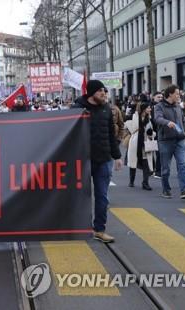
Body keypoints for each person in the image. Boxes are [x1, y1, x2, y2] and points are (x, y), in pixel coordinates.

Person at [73, 80, 122, 243]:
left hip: (103, 160)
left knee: (102, 197)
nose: (104, 93)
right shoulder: (78, 109)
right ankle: (78, 226)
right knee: (80, 196)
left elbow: (111, 135)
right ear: (92, 92)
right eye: (101, 90)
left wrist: (117, 156)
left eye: (105, 91)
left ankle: (99, 230)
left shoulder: (107, 109)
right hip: (83, 161)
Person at [154, 84, 185, 199]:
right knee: (166, 168)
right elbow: (157, 118)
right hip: (165, 141)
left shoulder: (178, 106)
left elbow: (182, 120)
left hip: (180, 140)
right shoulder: (159, 106)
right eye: (177, 93)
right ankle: (166, 190)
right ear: (170, 94)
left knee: (183, 165)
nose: (179, 96)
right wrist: (167, 122)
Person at [125, 102, 156, 190]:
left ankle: (145, 183)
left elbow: (152, 131)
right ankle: (131, 181)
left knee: (146, 163)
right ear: (144, 109)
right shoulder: (134, 117)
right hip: (135, 142)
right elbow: (128, 126)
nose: (150, 110)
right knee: (133, 162)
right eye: (148, 108)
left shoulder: (149, 119)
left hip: (146, 143)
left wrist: (151, 134)